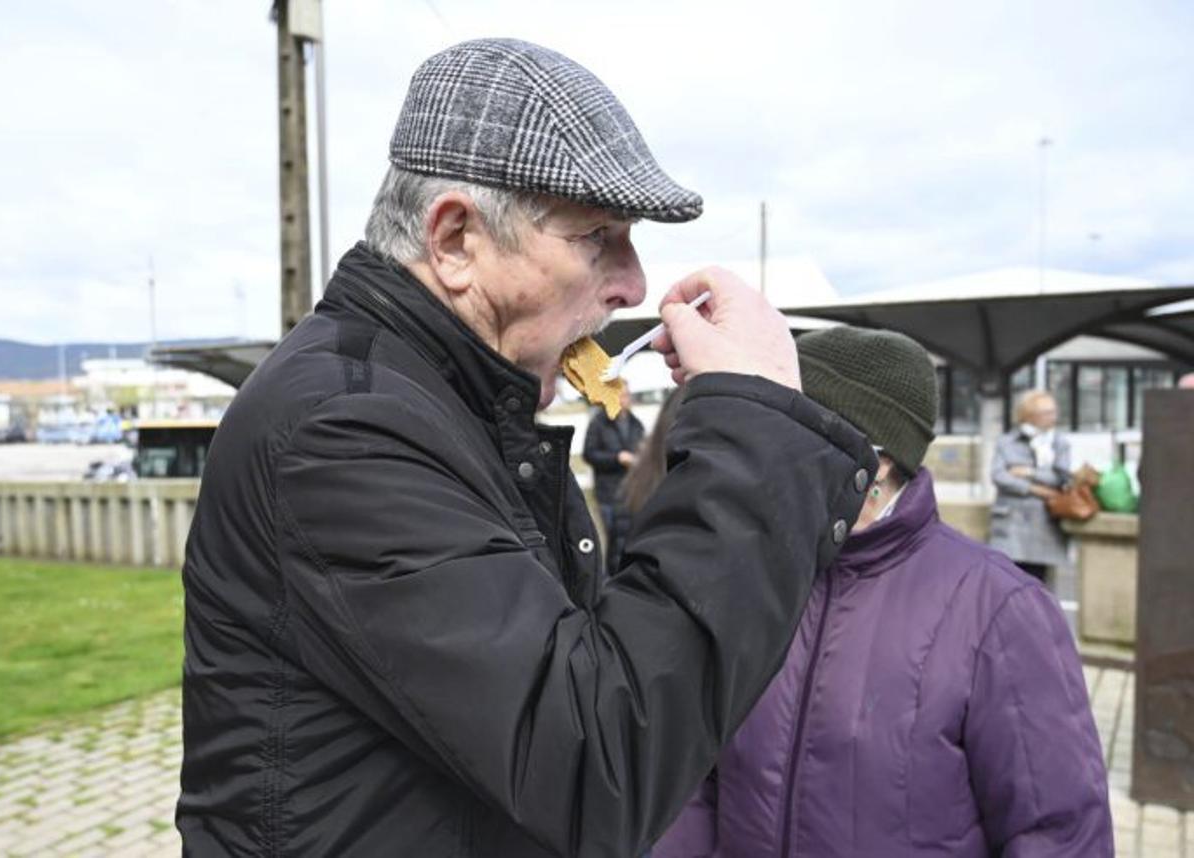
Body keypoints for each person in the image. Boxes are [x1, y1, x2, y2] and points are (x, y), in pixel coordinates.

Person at [177, 38, 875, 857]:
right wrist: (757, 425)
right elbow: (599, 756)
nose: (633, 283)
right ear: (455, 241)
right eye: (598, 235)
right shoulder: (342, 430)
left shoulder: (453, 403)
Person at [654, 327, 1112, 858]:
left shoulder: (1001, 609)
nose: (759, 455)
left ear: (874, 460)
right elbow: (694, 785)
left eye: (784, 433)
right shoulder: (746, 576)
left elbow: (1059, 833)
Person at [988, 389, 1071, 583]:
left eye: (1054, 412)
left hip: (1042, 525)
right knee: (1006, 582)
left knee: (1037, 584)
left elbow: (1061, 477)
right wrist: (1035, 489)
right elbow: (999, 476)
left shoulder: (1059, 443)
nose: (1053, 417)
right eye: (1047, 413)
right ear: (1029, 416)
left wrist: (1029, 472)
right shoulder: (1006, 442)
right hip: (1010, 524)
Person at [582, 382, 645, 568]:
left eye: (627, 395)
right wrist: (617, 458)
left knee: (632, 539)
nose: (625, 399)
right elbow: (589, 454)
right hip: (608, 493)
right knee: (612, 542)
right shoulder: (599, 423)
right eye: (620, 395)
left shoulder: (636, 423)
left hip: (632, 492)